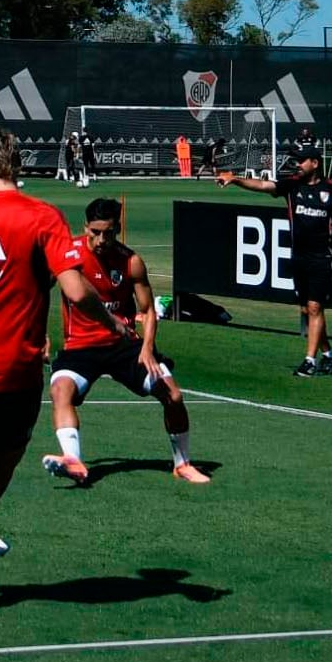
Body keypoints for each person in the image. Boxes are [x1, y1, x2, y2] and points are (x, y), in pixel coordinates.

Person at [0, 128, 133, 620]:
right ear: (19, 164)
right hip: (15, 369)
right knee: (5, 458)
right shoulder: (42, 217)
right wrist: (112, 320)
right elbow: (76, 293)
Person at [41, 198, 208, 487]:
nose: (101, 239)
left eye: (108, 232)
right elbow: (40, 289)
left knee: (173, 396)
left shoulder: (131, 262)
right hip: (80, 346)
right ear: (85, 227)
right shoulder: (69, 255)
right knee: (60, 390)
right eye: (95, 232)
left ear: (117, 228)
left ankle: (182, 464)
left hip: (125, 346)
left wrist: (147, 348)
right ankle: (73, 460)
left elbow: (148, 310)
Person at [217, 147, 332, 376]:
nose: (298, 164)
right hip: (299, 257)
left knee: (314, 307)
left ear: (315, 163)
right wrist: (235, 180)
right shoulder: (292, 185)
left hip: (323, 257)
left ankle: (309, 361)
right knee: (306, 309)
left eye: (302, 161)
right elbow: (263, 186)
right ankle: (330, 355)